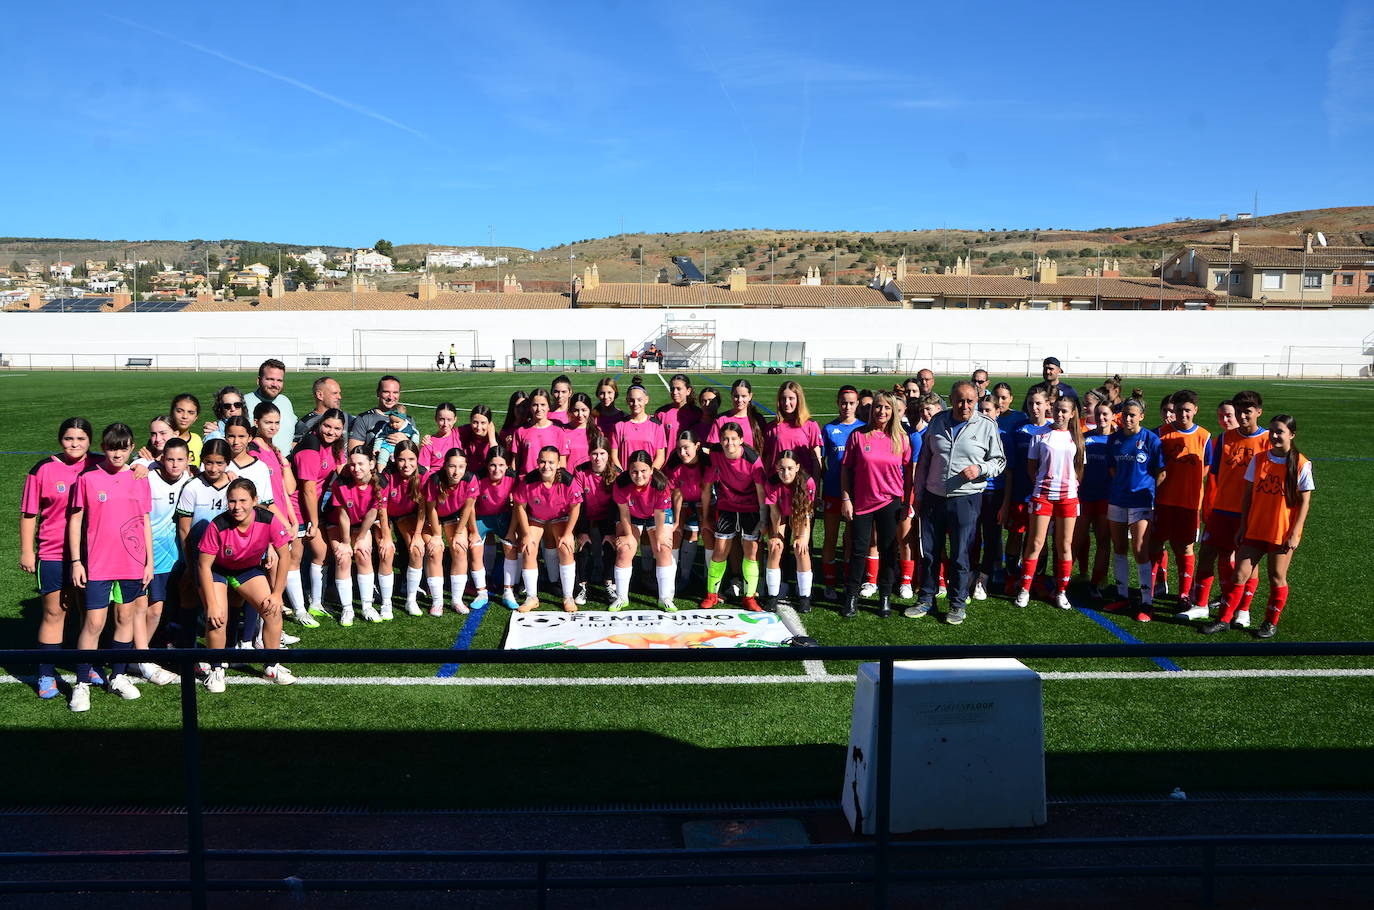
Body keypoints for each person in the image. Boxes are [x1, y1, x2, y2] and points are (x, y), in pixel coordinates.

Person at [66, 423, 154, 712]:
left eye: (123, 447)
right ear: (103, 447)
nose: (117, 453)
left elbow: (144, 523)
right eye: (112, 447)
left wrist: (148, 562)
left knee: (125, 617)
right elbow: (76, 520)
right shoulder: (88, 479)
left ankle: (117, 676)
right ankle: (82, 683)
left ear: (131, 447)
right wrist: (77, 561)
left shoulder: (140, 478)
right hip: (98, 565)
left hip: (131, 562)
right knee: (94, 623)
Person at [1199, 415, 1313, 638]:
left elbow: (1304, 502)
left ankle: (1270, 622)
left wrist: (1295, 533)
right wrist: (1243, 525)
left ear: (1292, 435)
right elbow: (1248, 497)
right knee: (1240, 574)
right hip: (1255, 529)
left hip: (1281, 532)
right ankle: (1224, 619)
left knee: (1276, 576)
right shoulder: (1259, 459)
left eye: (1280, 431)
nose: (1274, 436)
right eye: (1272, 431)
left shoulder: (1301, 463)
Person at [22, 418, 104, 700]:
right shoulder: (43, 469)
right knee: (55, 612)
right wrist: (26, 550)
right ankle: (45, 672)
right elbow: (29, 514)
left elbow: (126, 468)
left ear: (90, 441)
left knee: (88, 610)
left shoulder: (99, 463)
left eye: (81, 439)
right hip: (54, 551)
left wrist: (140, 466)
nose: (75, 444)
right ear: (60, 440)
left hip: (92, 554)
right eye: (69, 439)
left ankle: (85, 664)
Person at [911, 381, 1006, 625]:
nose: (964, 406)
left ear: (976, 400)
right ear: (951, 400)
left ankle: (957, 603)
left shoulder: (986, 425)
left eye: (970, 401)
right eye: (959, 400)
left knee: (960, 554)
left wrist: (981, 468)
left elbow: (999, 461)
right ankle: (926, 598)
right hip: (933, 497)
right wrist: (919, 495)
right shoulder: (938, 421)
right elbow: (924, 461)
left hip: (966, 498)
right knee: (930, 552)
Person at [195, 478, 296, 693]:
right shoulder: (217, 525)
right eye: (232, 501)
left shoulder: (268, 519)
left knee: (272, 610)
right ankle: (215, 669)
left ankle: (271, 665)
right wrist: (211, 604)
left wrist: (277, 593)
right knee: (218, 617)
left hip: (246, 570)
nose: (237, 506)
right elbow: (203, 566)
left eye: (243, 500)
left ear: (255, 501)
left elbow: (284, 556)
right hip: (217, 571)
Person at [1185, 390, 1269, 624]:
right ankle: (1201, 605)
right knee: (1206, 555)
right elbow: (1217, 476)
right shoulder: (1224, 439)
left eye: (1248, 412)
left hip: (1251, 512)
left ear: (1258, 413)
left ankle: (1243, 610)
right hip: (1222, 509)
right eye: (1240, 411)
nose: (1242, 416)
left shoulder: (1268, 440)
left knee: (1248, 563)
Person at [839, 391, 910, 619]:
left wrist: (907, 501)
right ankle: (851, 597)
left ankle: (885, 597)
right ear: (871, 409)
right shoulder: (858, 436)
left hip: (890, 502)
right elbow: (846, 470)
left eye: (887, 408)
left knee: (889, 551)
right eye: (878, 407)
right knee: (858, 550)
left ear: (893, 411)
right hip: (862, 502)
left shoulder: (901, 437)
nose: (882, 412)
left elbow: (909, 473)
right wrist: (846, 498)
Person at [1016, 396, 1085, 610]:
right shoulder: (1040, 435)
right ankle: (1025, 588)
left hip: (1068, 497)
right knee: (1035, 543)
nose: (1060, 414)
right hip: (1043, 495)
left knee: (1064, 545)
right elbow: (1031, 468)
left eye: (1064, 411)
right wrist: (1044, 484)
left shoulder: (1078, 438)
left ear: (1072, 413)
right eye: (1057, 410)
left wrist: (1070, 487)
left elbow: (1079, 469)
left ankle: (1061, 591)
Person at [1100, 399, 1166, 620]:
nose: (1128, 419)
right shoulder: (1114, 439)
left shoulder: (1151, 439)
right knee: (1118, 547)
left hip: (1141, 503)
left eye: (1133, 415)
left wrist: (1147, 492)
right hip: (1117, 499)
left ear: (1141, 417)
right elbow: (1111, 467)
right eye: (1125, 414)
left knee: (1139, 549)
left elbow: (1161, 472)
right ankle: (1122, 596)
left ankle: (1147, 602)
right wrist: (1122, 485)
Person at [1151, 390, 1212, 610]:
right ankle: (1150, 589)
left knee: (1185, 548)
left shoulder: (1204, 436)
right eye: (1178, 410)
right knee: (1155, 544)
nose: (1183, 414)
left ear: (1195, 410)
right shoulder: (1160, 433)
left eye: (1187, 410)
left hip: (1189, 504)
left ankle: (1184, 593)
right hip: (1163, 501)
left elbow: (1206, 467)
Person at [699, 422, 766, 611]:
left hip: (751, 508)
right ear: (720, 440)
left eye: (734, 439)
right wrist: (705, 517)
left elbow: (762, 491)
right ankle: (711, 595)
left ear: (741, 440)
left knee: (751, 552)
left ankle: (749, 597)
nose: (729, 443)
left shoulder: (753, 459)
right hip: (726, 506)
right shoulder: (716, 454)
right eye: (725, 439)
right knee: (720, 549)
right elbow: (706, 487)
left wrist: (763, 518)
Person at [289, 409, 348, 625]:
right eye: (327, 426)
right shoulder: (311, 446)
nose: (331, 432)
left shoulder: (336, 445)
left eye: (337, 428)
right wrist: (313, 522)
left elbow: (342, 470)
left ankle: (316, 603)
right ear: (320, 424)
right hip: (296, 508)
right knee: (294, 558)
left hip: (313, 507)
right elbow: (307, 490)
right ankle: (299, 610)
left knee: (321, 553)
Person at [142, 438, 192, 683]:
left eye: (180, 460)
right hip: (150, 555)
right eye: (170, 459)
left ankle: (158, 649)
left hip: (176, 554)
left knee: (171, 606)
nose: (174, 464)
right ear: (161, 459)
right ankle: (137, 655)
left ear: (188, 460)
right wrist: (141, 464)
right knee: (152, 608)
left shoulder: (189, 480)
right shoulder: (147, 478)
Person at [513, 446, 582, 612]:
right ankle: (532, 597)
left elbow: (576, 506)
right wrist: (527, 534)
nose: (546, 466)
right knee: (528, 548)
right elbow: (520, 506)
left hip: (560, 518)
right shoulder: (529, 480)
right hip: (536, 518)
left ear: (558, 463)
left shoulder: (567, 480)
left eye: (551, 462)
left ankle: (568, 596)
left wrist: (567, 534)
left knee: (565, 547)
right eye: (542, 461)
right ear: (537, 462)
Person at [1000, 388, 1052, 595]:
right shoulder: (1019, 429)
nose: (1034, 407)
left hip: (1045, 495)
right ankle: (1011, 577)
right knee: (1016, 535)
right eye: (1031, 403)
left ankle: (1037, 579)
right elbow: (1011, 466)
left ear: (1048, 405)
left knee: (1040, 538)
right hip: (1020, 492)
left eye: (1039, 403)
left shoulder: (1053, 430)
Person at [328, 446, 386, 624]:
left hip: (361, 524)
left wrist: (360, 538)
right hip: (338, 523)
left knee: (363, 553)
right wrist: (346, 543)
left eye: (361, 464)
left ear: (371, 464)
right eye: (352, 464)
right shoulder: (341, 483)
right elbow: (343, 515)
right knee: (343, 557)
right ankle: (347, 609)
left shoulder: (381, 483)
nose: (356, 468)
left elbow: (372, 513)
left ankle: (367, 606)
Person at [612, 450, 676, 611]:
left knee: (663, 548)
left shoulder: (660, 483)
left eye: (643, 471)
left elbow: (661, 512)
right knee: (624, 549)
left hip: (656, 514)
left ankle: (665, 598)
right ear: (628, 470)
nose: (639, 475)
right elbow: (624, 512)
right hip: (632, 515)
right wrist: (627, 535)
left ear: (651, 470)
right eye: (634, 471)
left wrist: (660, 535)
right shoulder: (621, 483)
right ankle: (621, 597)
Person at [423, 448, 480, 616]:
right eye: (452, 466)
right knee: (435, 551)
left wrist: (459, 533)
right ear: (444, 466)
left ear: (466, 466)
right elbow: (431, 509)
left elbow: (468, 509)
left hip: (454, 517)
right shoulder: (434, 480)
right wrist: (436, 535)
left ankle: (457, 600)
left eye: (461, 467)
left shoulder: (470, 479)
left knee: (460, 549)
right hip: (434, 519)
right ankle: (437, 602)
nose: (456, 472)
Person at [820, 386, 862, 600]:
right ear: (838, 403)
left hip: (857, 495)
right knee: (830, 538)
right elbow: (821, 460)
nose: (847, 407)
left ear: (857, 404)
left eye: (851, 403)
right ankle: (829, 583)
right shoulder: (829, 429)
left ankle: (847, 581)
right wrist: (826, 480)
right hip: (833, 492)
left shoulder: (864, 429)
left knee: (851, 539)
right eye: (843, 402)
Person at [764, 450, 816, 613]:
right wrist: (775, 535)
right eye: (781, 468)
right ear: (776, 468)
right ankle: (772, 596)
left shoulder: (808, 482)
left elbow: (806, 513)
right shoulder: (772, 482)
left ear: (797, 467)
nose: (785, 473)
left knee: (801, 549)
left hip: (800, 514)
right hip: (780, 513)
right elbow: (774, 512)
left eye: (790, 468)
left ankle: (804, 597)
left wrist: (803, 538)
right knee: (775, 547)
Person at [1073, 402, 1115, 599]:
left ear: (1113, 415)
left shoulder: (1117, 440)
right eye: (1098, 414)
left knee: (1103, 541)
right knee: (1076, 540)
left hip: (1107, 498)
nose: (1101, 418)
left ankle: (1097, 582)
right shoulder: (1085, 438)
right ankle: (1062, 580)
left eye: (1105, 414)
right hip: (1084, 496)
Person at [378, 439, 425, 617]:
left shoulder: (422, 474)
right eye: (402, 460)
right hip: (383, 517)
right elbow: (381, 509)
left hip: (406, 516)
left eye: (411, 459)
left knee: (416, 549)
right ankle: (386, 602)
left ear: (417, 459)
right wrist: (386, 536)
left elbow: (422, 507)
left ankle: (410, 599)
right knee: (386, 550)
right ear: (394, 459)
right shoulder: (386, 476)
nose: (407, 465)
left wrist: (418, 534)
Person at [573, 436, 618, 605]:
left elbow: (616, 505)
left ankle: (609, 584)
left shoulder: (616, 473)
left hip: (608, 519)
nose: (598, 458)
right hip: (586, 517)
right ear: (589, 454)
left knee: (610, 546)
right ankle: (582, 585)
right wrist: (582, 531)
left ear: (608, 454)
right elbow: (579, 504)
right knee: (584, 546)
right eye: (594, 453)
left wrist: (610, 533)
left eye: (602, 453)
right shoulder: (580, 472)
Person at [765, 380, 822, 477]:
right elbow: (768, 459)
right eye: (783, 398)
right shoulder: (771, 427)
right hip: (777, 486)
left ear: (799, 400)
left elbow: (816, 459)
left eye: (791, 398)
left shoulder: (811, 426)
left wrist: (815, 485)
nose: (786, 403)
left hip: (802, 484)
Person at [243, 358, 297, 451]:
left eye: (279, 380)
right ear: (258, 380)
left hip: (286, 462)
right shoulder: (244, 402)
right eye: (270, 379)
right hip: (259, 462)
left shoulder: (285, 401)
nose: (275, 384)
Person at [512, 388, 570, 475]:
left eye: (543, 404)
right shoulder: (520, 431)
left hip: (550, 482)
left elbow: (562, 463)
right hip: (527, 482)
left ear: (548, 407)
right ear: (530, 407)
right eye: (535, 405)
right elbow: (515, 462)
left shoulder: (558, 432)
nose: (539, 409)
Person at [611, 384, 668, 471]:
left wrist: (649, 474)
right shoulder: (619, 425)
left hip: (648, 478)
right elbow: (614, 456)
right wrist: (622, 475)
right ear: (627, 401)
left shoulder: (657, 426)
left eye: (639, 400)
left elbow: (660, 457)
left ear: (646, 400)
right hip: (626, 478)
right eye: (631, 400)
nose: (635, 403)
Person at [706, 379, 766, 451]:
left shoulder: (758, 419)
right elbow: (714, 449)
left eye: (743, 396)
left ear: (750, 396)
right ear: (731, 396)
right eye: (736, 396)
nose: (740, 400)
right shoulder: (721, 420)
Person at [350, 375, 406, 450]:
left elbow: (415, 453)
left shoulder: (407, 419)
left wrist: (406, 442)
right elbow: (354, 451)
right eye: (386, 392)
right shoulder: (364, 419)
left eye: (395, 392)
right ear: (378, 393)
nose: (391, 397)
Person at [294, 376, 352, 442]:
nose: (339, 397)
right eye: (334, 393)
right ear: (320, 395)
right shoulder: (306, 423)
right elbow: (296, 448)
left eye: (339, 393)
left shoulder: (347, 417)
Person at [654, 374, 702, 444]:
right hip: (669, 455)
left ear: (688, 391)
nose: (674, 392)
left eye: (679, 389)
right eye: (672, 389)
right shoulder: (661, 414)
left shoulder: (697, 413)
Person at [419, 402, 462, 472]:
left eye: (449, 420)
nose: (445, 424)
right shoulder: (429, 442)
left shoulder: (460, 434)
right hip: (436, 480)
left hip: (458, 478)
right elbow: (423, 471)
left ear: (455, 419)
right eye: (441, 419)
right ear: (436, 419)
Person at [168, 394, 204, 467]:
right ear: (172, 412)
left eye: (190, 412)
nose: (185, 416)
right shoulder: (162, 439)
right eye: (180, 411)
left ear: (196, 417)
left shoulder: (197, 439)